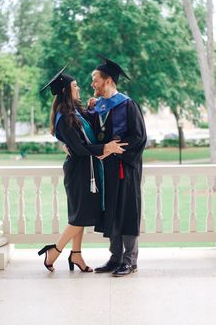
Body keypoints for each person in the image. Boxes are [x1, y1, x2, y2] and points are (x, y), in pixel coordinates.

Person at [38, 65, 127, 273]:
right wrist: (107, 147)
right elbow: (78, 148)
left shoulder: (74, 111)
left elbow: (89, 131)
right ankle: (55, 251)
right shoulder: (63, 118)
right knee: (80, 216)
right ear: (66, 91)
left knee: (81, 214)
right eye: (75, 86)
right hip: (79, 171)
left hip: (88, 169)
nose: (78, 88)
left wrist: (92, 108)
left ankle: (76, 254)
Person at [88, 55, 147, 277]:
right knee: (111, 211)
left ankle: (130, 260)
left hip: (125, 168)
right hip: (106, 169)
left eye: (95, 80)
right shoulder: (98, 107)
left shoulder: (128, 104)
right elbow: (91, 132)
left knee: (127, 211)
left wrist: (117, 150)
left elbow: (139, 136)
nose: (92, 84)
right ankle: (115, 258)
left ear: (108, 80)